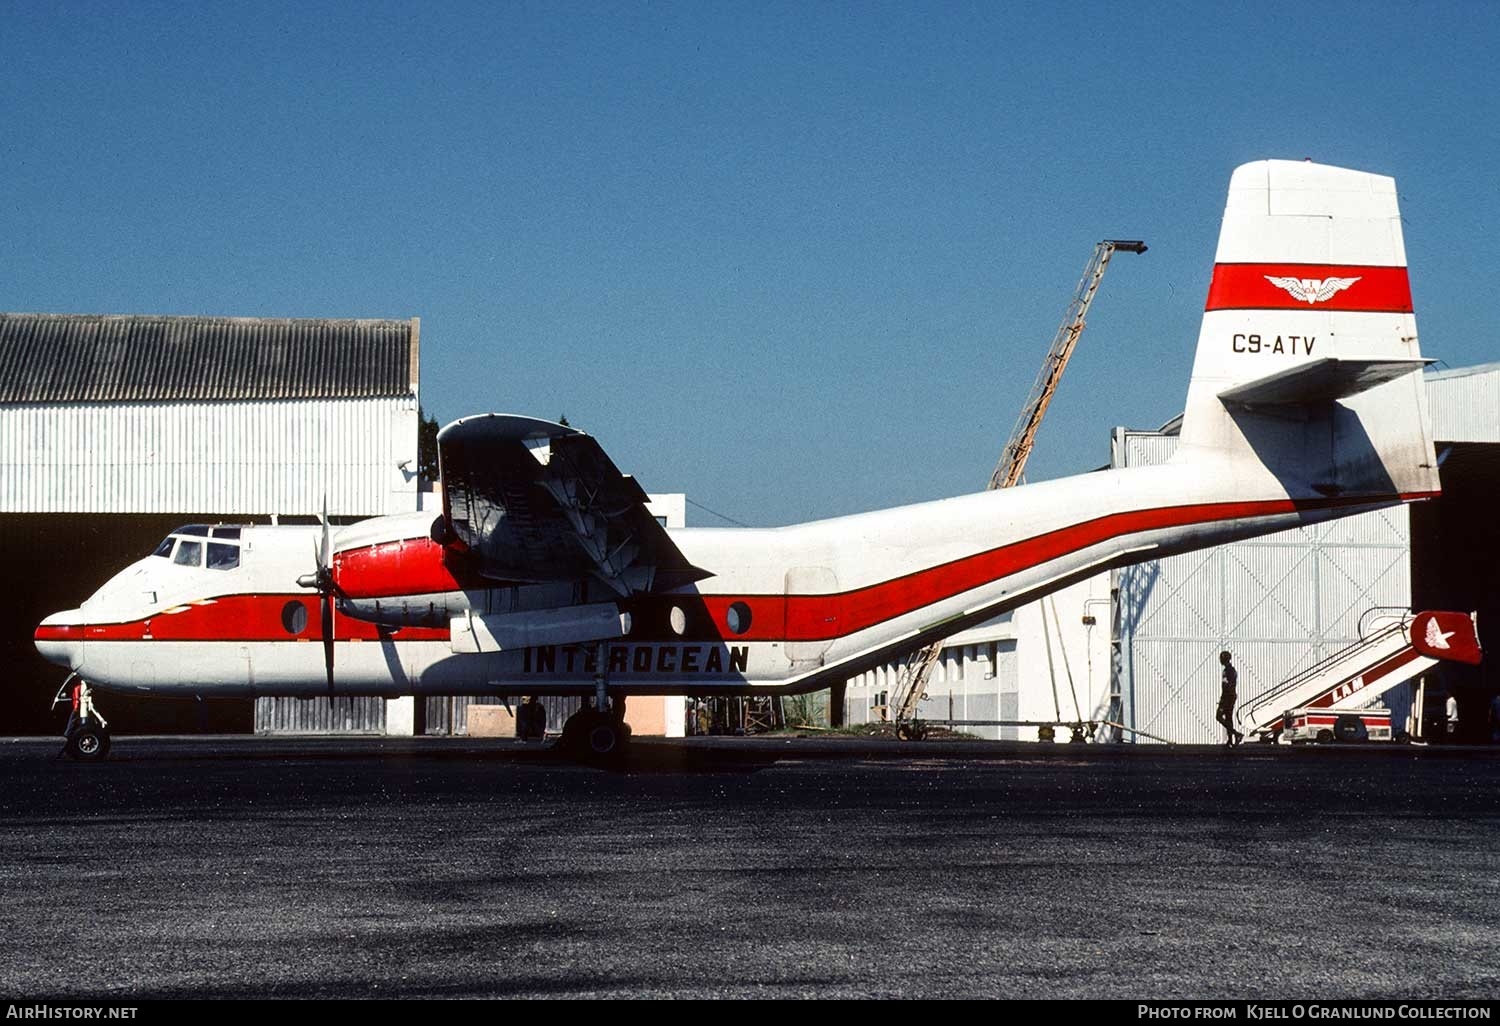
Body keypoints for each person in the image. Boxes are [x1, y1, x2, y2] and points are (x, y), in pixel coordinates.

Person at [1216, 650, 1243, 747]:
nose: (1220, 660)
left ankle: (1236, 734)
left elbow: (1227, 686)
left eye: (1221, 658)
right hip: (1231, 696)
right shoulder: (1231, 670)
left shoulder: (1228, 671)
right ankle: (1230, 740)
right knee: (1228, 718)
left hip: (1227, 696)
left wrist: (1223, 699)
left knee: (1219, 716)